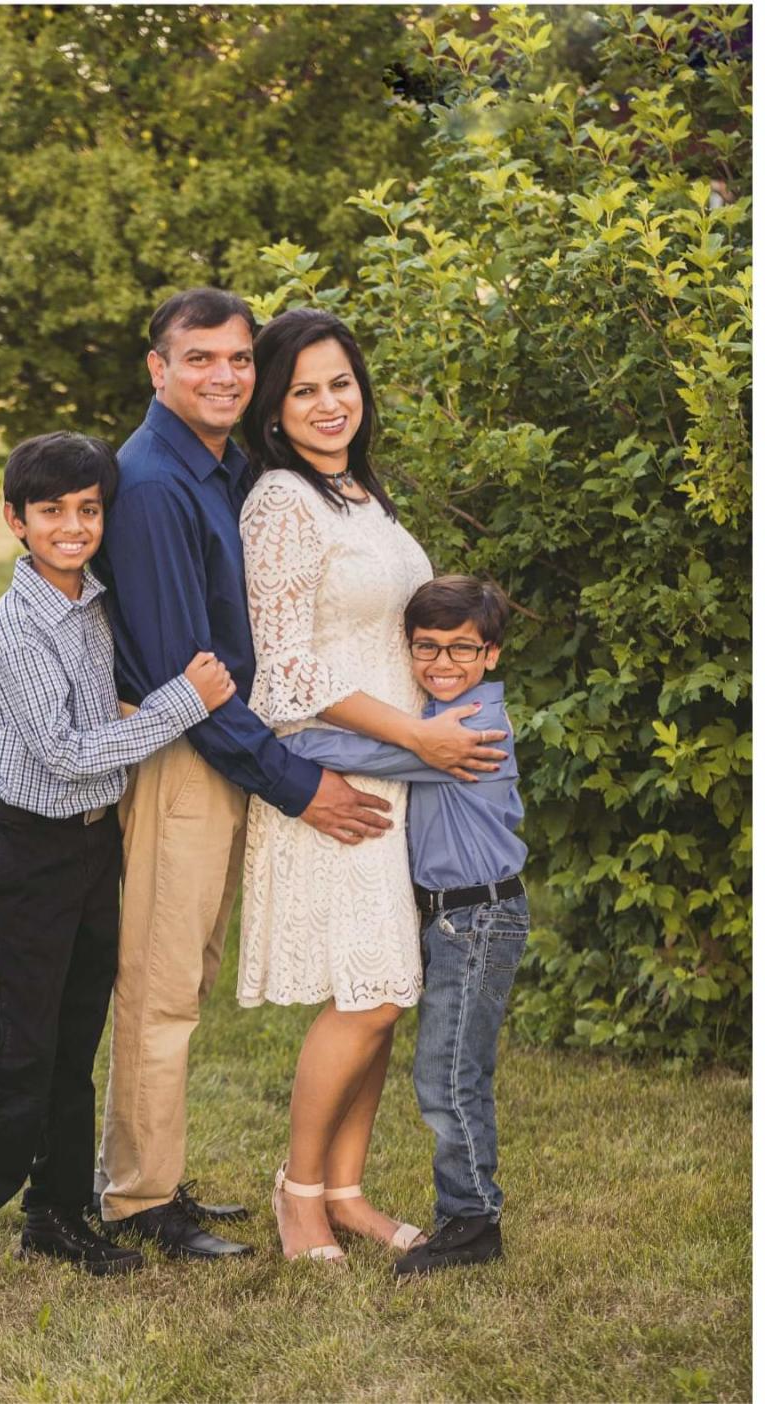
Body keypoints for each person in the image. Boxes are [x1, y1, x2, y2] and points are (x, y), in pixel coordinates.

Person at [91, 289, 504, 1261]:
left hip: (326, 759)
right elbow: (230, 663)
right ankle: (160, 1199)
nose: (226, 376)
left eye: (240, 359)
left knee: (363, 985)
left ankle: (321, 1189)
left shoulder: (235, 468)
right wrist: (301, 779)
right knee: (175, 982)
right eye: (204, 360)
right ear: (159, 368)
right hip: (218, 754)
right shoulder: (161, 481)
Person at [0, 431, 235, 1290]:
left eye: (89, 510)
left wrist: (135, 709)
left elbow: (99, 724)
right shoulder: (8, 632)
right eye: (52, 512)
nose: (74, 526)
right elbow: (67, 754)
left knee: (75, 1039)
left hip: (94, 842)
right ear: (16, 520)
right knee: (23, 1052)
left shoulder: (92, 599)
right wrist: (178, 704)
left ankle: (55, 1215)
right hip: (31, 847)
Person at [237, 309, 509, 1263]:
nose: (328, 403)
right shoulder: (279, 502)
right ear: (273, 407)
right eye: (304, 388)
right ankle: (298, 1192)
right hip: (343, 771)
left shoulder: (359, 494)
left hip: (404, 774)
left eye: (341, 382)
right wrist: (414, 734)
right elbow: (282, 673)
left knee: (386, 989)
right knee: (371, 991)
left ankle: (346, 1190)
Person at [279, 575, 528, 1277]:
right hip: (457, 916)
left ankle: (471, 1222)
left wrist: (288, 741)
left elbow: (350, 753)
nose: (442, 664)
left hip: (480, 916)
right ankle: (464, 1213)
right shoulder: (433, 716)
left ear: (492, 655)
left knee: (451, 1077)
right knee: (445, 1071)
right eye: (427, 648)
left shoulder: (473, 729)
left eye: (462, 650)